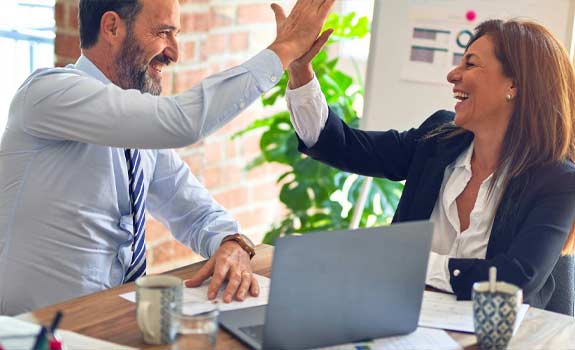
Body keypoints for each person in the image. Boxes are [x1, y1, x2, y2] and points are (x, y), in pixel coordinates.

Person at [0, 0, 334, 315]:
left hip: (106, 326)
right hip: (31, 332)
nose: (174, 52)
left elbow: (194, 210)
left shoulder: (137, 131)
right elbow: (181, 122)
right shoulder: (48, 93)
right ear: (112, 28)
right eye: (163, 33)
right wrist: (284, 49)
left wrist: (231, 243)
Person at [285, 19, 575, 309]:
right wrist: (300, 70)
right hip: (408, 323)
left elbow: (516, 279)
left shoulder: (557, 181)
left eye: (471, 65)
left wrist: (414, 263)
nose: (452, 75)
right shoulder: (438, 139)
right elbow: (343, 145)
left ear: (514, 84)